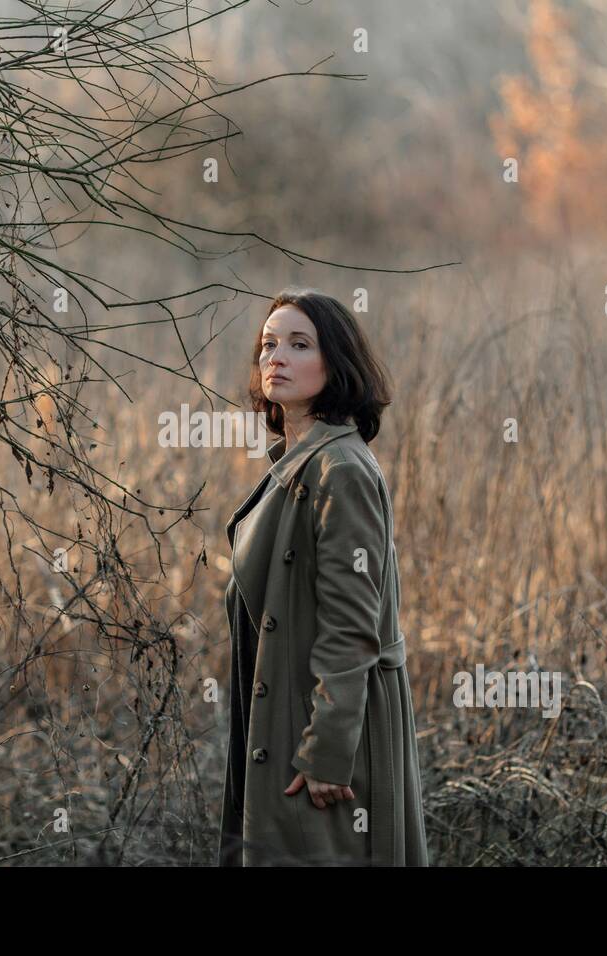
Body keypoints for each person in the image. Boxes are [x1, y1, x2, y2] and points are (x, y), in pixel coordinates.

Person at [218, 288, 430, 866]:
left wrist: (327, 754)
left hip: (321, 741)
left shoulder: (341, 470)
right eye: (268, 344)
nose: (275, 358)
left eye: (298, 344)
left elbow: (350, 624)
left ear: (334, 363)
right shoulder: (296, 462)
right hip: (281, 721)